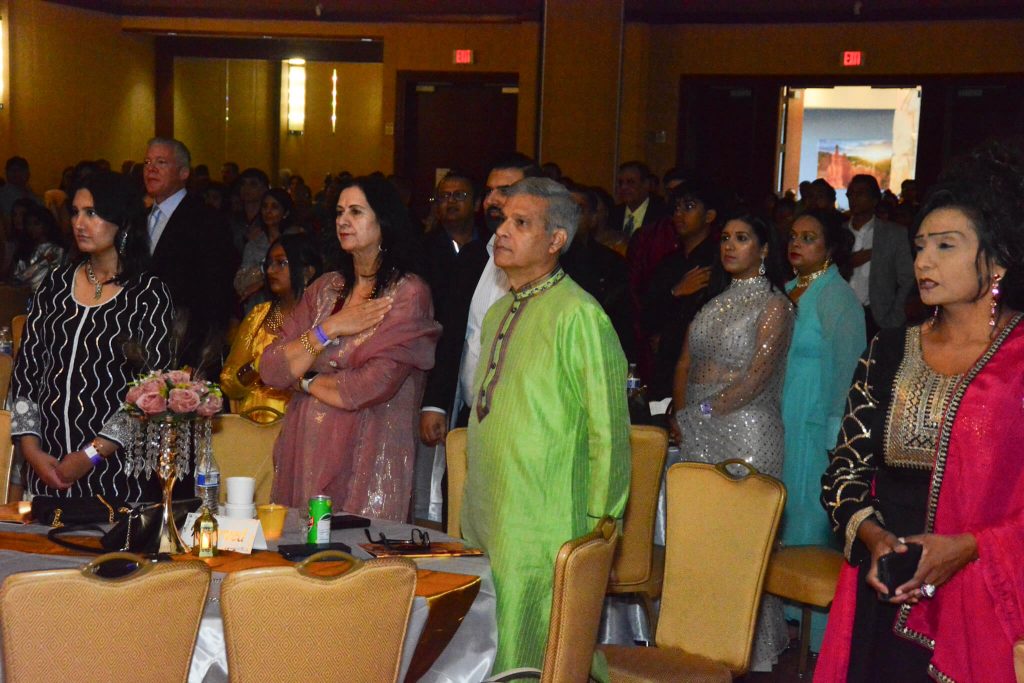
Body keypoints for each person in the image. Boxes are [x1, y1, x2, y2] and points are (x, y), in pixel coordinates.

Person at [817, 141, 1024, 683]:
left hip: (982, 591)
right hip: (888, 583)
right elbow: (844, 472)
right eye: (920, 246)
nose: (924, 261)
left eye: (946, 246)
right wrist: (874, 538)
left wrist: (969, 547)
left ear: (998, 259)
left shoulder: (1018, 360)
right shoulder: (889, 348)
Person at [461, 177, 630, 674]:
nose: (502, 232)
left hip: (544, 515)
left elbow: (608, 432)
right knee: (482, 631)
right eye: (502, 221)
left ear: (556, 240)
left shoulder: (580, 315)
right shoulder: (498, 312)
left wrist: (600, 526)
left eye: (521, 223)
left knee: (532, 638)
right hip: (488, 507)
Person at [260, 175, 439, 519]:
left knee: (360, 548)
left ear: (383, 220)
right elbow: (271, 368)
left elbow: (371, 385)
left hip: (369, 452)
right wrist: (329, 328)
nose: (343, 220)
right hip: (307, 450)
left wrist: (305, 379)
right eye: (340, 212)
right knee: (302, 546)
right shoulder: (326, 288)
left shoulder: (407, 293)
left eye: (356, 212)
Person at [671, 213, 794, 672]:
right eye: (725, 238)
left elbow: (756, 378)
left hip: (746, 430)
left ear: (764, 249)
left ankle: (745, 653)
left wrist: (699, 413)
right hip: (699, 425)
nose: (729, 246)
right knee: (700, 541)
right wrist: (682, 412)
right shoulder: (713, 303)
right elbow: (685, 362)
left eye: (742, 238)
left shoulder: (775, 305)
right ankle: (700, 645)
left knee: (740, 545)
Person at [10, 171, 174, 501]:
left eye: (92, 213)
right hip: (46, 466)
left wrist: (91, 454)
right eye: (75, 212)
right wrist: (31, 450)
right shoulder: (56, 284)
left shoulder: (147, 294)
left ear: (122, 221)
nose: (79, 223)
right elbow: (27, 371)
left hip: (114, 475)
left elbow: (152, 390)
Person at [778, 208, 864, 651]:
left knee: (811, 521)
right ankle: (782, 624)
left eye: (809, 237)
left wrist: (837, 441)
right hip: (781, 421)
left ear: (830, 247)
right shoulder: (787, 290)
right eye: (794, 236)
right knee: (780, 518)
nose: (797, 244)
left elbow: (850, 373)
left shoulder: (837, 298)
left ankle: (817, 637)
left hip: (815, 427)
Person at [143, 137, 236, 377]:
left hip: (184, 345)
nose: (151, 169)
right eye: (147, 162)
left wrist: (199, 355)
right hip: (140, 342)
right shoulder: (139, 218)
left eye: (161, 162)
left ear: (183, 172)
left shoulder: (206, 220)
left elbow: (216, 291)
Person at [220, 233, 323, 423]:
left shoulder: (323, 319)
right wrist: (257, 367)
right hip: (254, 424)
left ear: (308, 272)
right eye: (268, 264)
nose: (270, 271)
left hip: (305, 423)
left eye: (281, 263)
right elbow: (228, 381)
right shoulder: (259, 315)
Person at [642, 177, 721, 399]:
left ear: (709, 216)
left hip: (705, 373)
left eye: (689, 207)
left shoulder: (719, 262)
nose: (679, 215)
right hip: (666, 368)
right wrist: (675, 292)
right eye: (676, 208)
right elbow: (647, 315)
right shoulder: (669, 263)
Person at [845, 173, 916, 340]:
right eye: (851, 194)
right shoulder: (837, 232)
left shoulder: (893, 233)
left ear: (874, 200)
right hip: (840, 315)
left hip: (877, 316)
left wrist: (895, 315)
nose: (854, 198)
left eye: (860, 194)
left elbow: (907, 278)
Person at [234, 188, 298, 312]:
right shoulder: (254, 244)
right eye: (264, 206)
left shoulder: (295, 240)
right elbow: (240, 284)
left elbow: (299, 274)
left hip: (289, 306)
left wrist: (262, 283)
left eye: (274, 207)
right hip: (258, 307)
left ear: (285, 212)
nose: (268, 211)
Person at [11, 203, 66, 291]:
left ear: (46, 225)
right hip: (23, 295)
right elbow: (18, 277)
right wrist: (41, 261)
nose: (31, 228)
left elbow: (56, 277)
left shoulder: (56, 250)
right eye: (29, 224)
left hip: (47, 294)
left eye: (36, 224)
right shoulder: (25, 249)